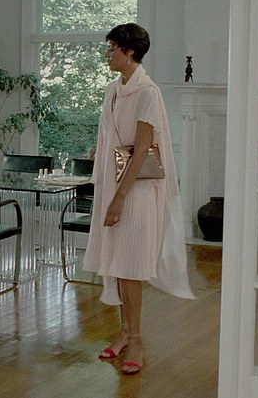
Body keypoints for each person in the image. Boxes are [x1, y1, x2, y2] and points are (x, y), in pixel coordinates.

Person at [82, 23, 195, 375]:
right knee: (117, 265)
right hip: (113, 183)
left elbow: (143, 148)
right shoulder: (114, 90)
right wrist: (100, 153)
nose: (107, 54)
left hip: (136, 189)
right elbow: (111, 135)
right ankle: (123, 332)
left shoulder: (148, 93)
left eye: (112, 48)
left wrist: (118, 199)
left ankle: (137, 341)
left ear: (129, 51)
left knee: (130, 266)